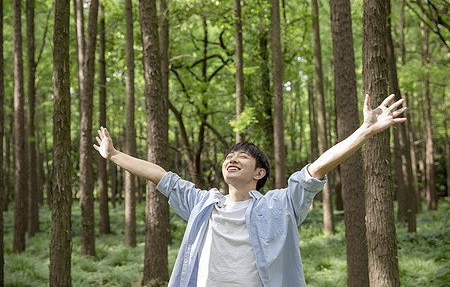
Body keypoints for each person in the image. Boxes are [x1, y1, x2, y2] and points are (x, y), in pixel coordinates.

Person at [94, 94, 407, 287]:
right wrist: (114, 154)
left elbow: (318, 168)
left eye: (241, 156)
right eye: (229, 155)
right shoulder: (203, 204)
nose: (232, 158)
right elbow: (162, 177)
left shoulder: (280, 206)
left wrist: (364, 132)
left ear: (259, 173)